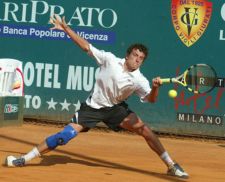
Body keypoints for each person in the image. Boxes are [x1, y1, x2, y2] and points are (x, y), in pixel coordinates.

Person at [5, 15, 188, 179]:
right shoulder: (109, 59)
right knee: (64, 136)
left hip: (115, 109)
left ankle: (171, 165)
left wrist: (155, 88)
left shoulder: (139, 79)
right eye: (135, 55)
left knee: (145, 131)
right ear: (127, 55)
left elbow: (150, 99)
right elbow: (86, 47)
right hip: (92, 108)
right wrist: (67, 29)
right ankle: (24, 159)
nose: (137, 59)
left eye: (141, 58)